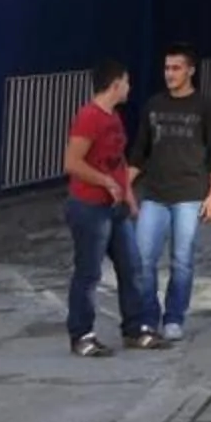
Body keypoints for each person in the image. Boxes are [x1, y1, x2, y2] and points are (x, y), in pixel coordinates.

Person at [131, 45, 211, 345]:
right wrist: (122, 187)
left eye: (176, 68)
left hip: (189, 195)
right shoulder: (153, 105)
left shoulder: (205, 107)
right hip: (154, 194)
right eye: (167, 68)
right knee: (143, 259)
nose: (169, 74)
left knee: (182, 260)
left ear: (190, 71)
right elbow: (139, 151)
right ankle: (148, 317)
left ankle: (174, 318)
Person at [62, 57, 153, 356]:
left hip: (115, 207)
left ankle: (135, 329)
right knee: (89, 273)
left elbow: (118, 158)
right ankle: (82, 335)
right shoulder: (89, 117)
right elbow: (72, 163)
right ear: (115, 84)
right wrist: (105, 182)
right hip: (89, 206)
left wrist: (127, 192)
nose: (129, 87)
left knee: (131, 267)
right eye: (126, 82)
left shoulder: (113, 117)